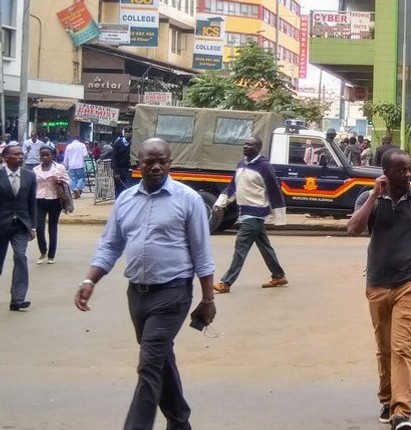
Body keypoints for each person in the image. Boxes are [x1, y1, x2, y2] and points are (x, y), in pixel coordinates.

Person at [74, 138, 216, 430]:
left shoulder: (188, 199)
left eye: (161, 161)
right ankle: (179, 422)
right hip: (137, 294)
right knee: (160, 359)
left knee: (149, 364)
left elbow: (202, 254)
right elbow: (110, 246)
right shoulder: (126, 200)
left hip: (173, 293)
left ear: (170, 162)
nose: (155, 167)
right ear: (138, 164)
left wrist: (208, 299)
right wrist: (91, 279)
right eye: (149, 161)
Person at [347, 149, 411, 430]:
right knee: (384, 347)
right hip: (377, 284)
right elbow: (353, 229)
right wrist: (375, 195)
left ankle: (401, 410)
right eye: (401, 171)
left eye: (409, 169)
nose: (408, 175)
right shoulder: (369, 199)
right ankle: (387, 399)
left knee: (401, 347)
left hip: (409, 283)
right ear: (386, 173)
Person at [212, 137, 288, 294]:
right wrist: (220, 203)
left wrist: (279, 216)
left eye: (250, 144)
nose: (245, 146)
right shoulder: (241, 164)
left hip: (256, 213)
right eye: (245, 144)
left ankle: (226, 282)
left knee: (241, 246)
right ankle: (279, 275)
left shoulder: (264, 167)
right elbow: (233, 187)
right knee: (264, 246)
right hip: (245, 212)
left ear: (258, 148)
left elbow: (274, 190)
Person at [1, 145, 36, 311]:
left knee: (21, 257)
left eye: (22, 154)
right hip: (1, 224)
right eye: (16, 154)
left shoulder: (29, 176)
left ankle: (18, 299)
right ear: (5, 158)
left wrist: (33, 226)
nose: (21, 157)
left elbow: (32, 203)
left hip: (21, 225)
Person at [33, 146, 69, 264]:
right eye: (42, 155)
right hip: (39, 200)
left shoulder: (59, 168)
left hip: (55, 200)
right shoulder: (35, 170)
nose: (45, 157)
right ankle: (43, 250)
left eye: (47, 155)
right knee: (39, 228)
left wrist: (60, 181)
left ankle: (51, 255)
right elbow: (32, 185)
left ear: (52, 155)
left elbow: (68, 181)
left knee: (52, 228)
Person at [112, 129, 132, 198]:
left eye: (129, 132)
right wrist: (115, 172)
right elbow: (114, 157)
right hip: (119, 170)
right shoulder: (118, 143)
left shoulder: (133, 143)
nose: (128, 134)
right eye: (126, 132)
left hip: (129, 170)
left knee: (128, 188)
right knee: (118, 188)